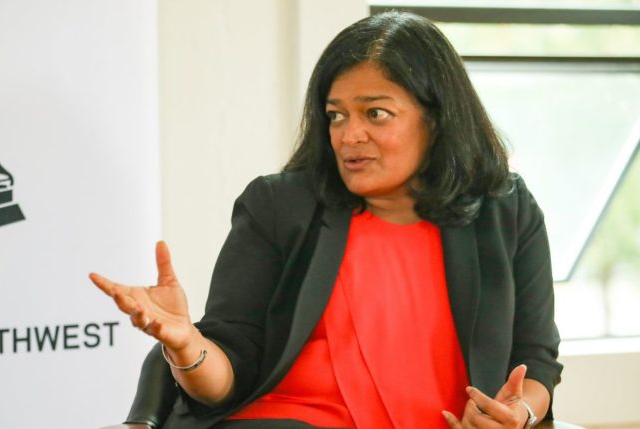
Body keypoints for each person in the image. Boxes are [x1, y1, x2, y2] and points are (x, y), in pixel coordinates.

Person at [90, 10, 562, 429]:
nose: (349, 135)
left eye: (376, 114)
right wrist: (186, 343)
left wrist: (518, 415)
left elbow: (536, 360)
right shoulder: (278, 206)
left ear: (436, 119)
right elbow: (224, 381)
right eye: (336, 116)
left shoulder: (505, 210)